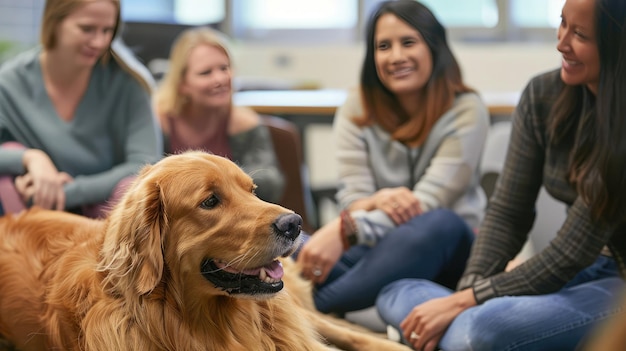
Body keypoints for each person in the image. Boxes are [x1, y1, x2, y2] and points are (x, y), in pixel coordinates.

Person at [376, 0, 626, 350]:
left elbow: (571, 251)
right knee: (396, 291)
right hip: (583, 273)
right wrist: (469, 290)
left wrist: (465, 303)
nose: (561, 42)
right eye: (562, 24)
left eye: (580, 34)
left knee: (481, 328)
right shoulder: (543, 95)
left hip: (617, 286)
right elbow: (508, 212)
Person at [296, 0, 489, 316]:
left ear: (434, 46)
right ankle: (321, 302)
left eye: (408, 42)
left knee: (441, 223)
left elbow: (426, 204)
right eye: (383, 46)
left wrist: (346, 230)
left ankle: (312, 310)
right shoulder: (357, 105)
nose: (396, 56)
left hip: (448, 252)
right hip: (378, 252)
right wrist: (376, 201)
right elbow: (354, 198)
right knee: (291, 247)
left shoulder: (467, 110)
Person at [0, 0, 162, 218]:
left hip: (106, 217)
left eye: (107, 30)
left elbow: (145, 165)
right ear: (54, 22)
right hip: (32, 214)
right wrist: (30, 158)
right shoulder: (11, 83)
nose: (99, 42)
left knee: (132, 189)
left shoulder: (128, 85)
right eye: (87, 29)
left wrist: (69, 192)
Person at [153, 27, 284, 204]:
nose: (220, 79)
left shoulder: (246, 123)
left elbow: (271, 184)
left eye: (224, 68)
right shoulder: (158, 121)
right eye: (206, 72)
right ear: (182, 83)